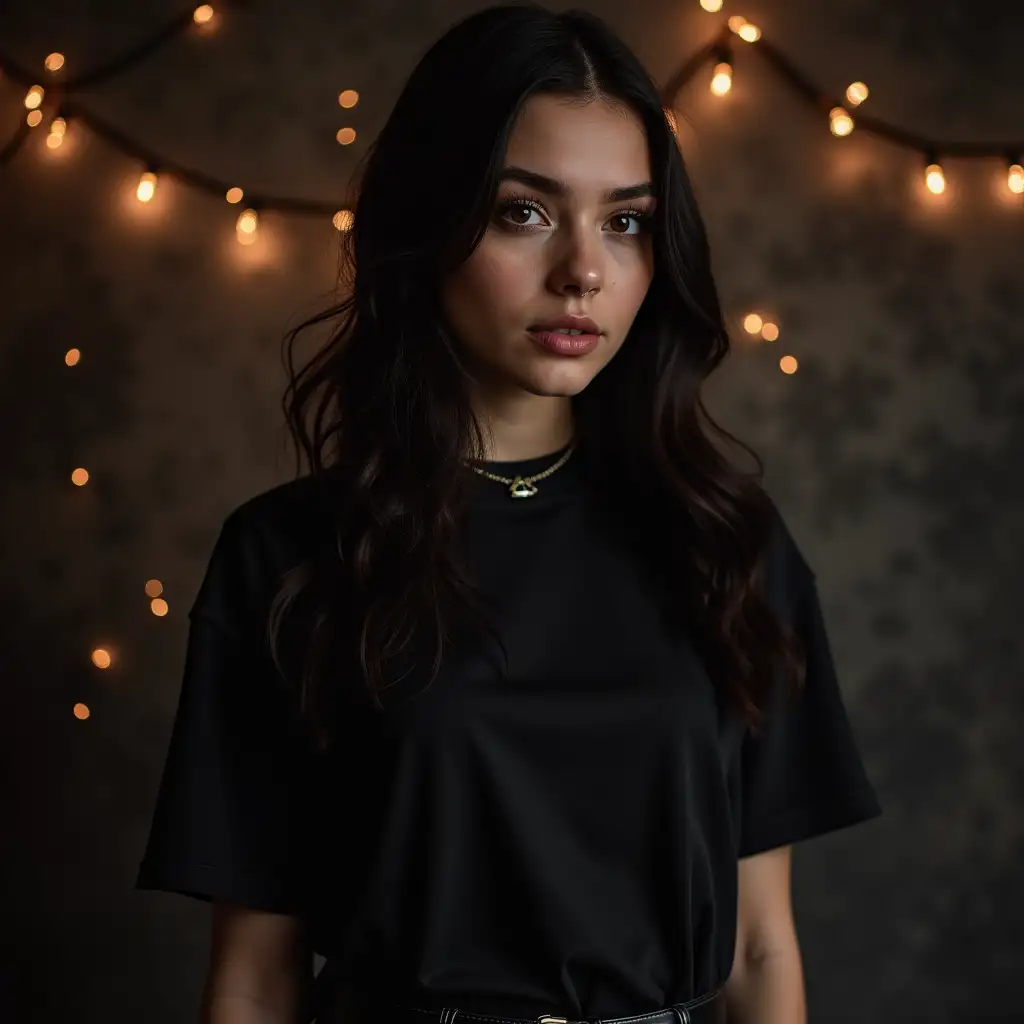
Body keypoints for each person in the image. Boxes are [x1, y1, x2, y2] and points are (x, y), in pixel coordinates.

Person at [135, 4, 883, 1024]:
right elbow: (256, 976)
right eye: (522, 211)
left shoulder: (728, 545)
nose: (583, 270)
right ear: (429, 224)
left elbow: (758, 950)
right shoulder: (289, 556)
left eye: (626, 221)